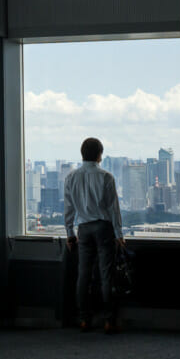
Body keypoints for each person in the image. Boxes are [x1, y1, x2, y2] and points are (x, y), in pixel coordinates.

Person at [63, 137, 126, 333]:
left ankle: (84, 319)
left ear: (83, 154)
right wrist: (119, 234)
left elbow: (69, 209)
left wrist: (69, 233)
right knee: (106, 274)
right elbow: (113, 209)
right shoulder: (106, 177)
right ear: (100, 155)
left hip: (83, 229)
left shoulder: (71, 177)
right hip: (103, 228)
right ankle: (109, 321)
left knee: (83, 275)